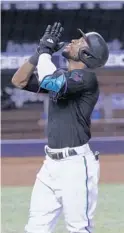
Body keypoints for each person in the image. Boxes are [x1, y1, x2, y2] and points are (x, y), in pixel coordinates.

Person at [12, 22, 109, 233]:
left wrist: (47, 52)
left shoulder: (87, 79)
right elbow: (19, 80)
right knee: (36, 227)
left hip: (75, 165)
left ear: (88, 55)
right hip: (51, 165)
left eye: (81, 41)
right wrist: (40, 52)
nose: (73, 41)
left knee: (78, 228)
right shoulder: (62, 76)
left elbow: (51, 81)